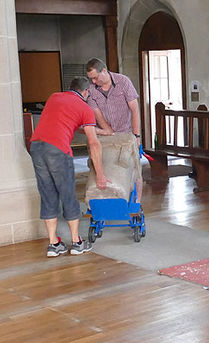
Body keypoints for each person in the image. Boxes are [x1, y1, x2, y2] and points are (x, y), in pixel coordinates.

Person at [29, 76, 107, 257]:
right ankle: (77, 242)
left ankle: (53, 244)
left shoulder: (54, 97)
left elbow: (66, 121)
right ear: (86, 92)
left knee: (47, 193)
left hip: (36, 146)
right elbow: (93, 144)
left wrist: (97, 128)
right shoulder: (85, 108)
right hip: (57, 149)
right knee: (67, 194)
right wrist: (100, 175)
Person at [84, 58, 142, 141]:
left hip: (126, 134)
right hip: (104, 136)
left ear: (104, 71)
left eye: (95, 78)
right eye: (91, 78)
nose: (93, 81)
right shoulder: (90, 88)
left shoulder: (123, 81)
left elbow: (134, 109)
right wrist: (110, 133)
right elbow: (97, 114)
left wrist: (137, 136)